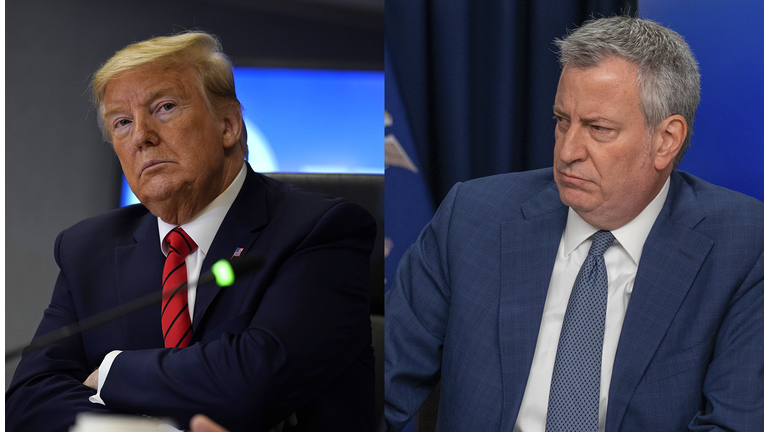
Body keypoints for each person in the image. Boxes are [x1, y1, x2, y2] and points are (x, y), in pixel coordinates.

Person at [384, 16, 763, 432]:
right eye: (562, 120)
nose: (567, 150)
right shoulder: (473, 216)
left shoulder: (744, 247)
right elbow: (384, 385)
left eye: (598, 128)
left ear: (666, 140)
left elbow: (733, 423)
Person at [6, 32, 376, 432]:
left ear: (229, 125)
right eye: (122, 122)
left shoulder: (319, 232)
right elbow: (29, 399)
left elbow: (251, 382)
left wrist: (111, 372)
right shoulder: (87, 249)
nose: (141, 136)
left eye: (164, 107)